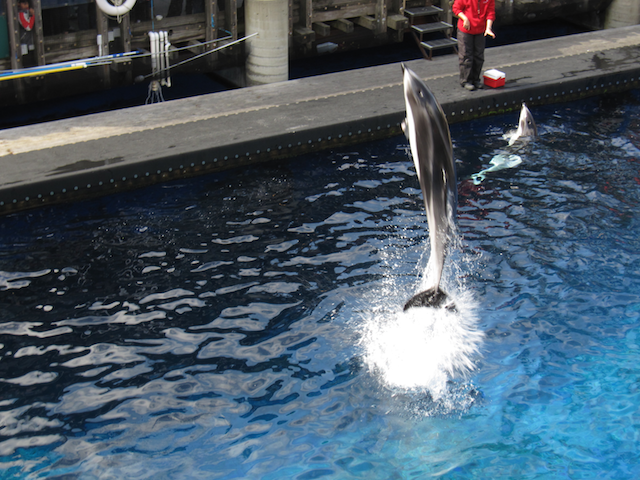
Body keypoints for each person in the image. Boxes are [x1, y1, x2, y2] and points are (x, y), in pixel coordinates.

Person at [452, 0, 495, 91]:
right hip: (465, 30)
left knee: (479, 56)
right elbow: (456, 8)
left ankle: (476, 79)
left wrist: (488, 28)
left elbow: (490, 12)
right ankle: (466, 80)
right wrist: (465, 18)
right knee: (466, 55)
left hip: (480, 30)